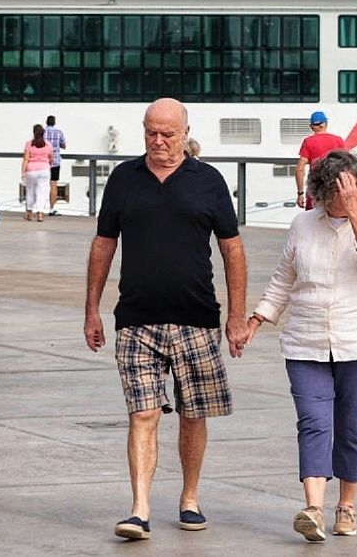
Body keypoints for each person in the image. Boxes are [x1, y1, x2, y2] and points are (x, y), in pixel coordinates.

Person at [84, 98, 249, 541]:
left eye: (167, 134)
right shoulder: (123, 179)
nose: (158, 141)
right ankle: (139, 509)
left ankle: (189, 498)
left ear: (185, 132)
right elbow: (104, 245)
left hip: (197, 318)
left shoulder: (209, 181)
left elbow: (232, 249)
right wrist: (91, 311)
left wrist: (236, 316)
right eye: (151, 132)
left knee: (194, 414)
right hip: (136, 319)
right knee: (143, 413)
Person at [248, 149, 357, 543]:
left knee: (352, 427)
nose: (341, 199)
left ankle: (346, 506)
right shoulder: (302, 225)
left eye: (350, 189)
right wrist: (257, 319)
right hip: (304, 342)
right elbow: (283, 279)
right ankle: (313, 508)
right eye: (333, 192)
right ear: (320, 192)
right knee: (313, 423)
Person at [295, 111, 344, 210]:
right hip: (334, 189)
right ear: (325, 124)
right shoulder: (338, 141)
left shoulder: (308, 142)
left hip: (315, 190)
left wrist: (300, 193)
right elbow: (346, 166)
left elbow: (299, 169)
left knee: (312, 222)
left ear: (311, 126)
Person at [22, 123, 54, 222]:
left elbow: (26, 159)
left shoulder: (29, 144)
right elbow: (51, 158)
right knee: (42, 192)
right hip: (44, 170)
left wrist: (23, 172)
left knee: (30, 191)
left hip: (31, 170)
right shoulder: (48, 144)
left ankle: (29, 213)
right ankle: (40, 214)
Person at [44, 114, 67, 210]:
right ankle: (51, 208)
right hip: (55, 160)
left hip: (43, 161)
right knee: (53, 184)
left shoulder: (42, 132)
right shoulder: (59, 132)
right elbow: (64, 146)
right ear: (54, 122)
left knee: (40, 184)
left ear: (46, 122)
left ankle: (38, 208)